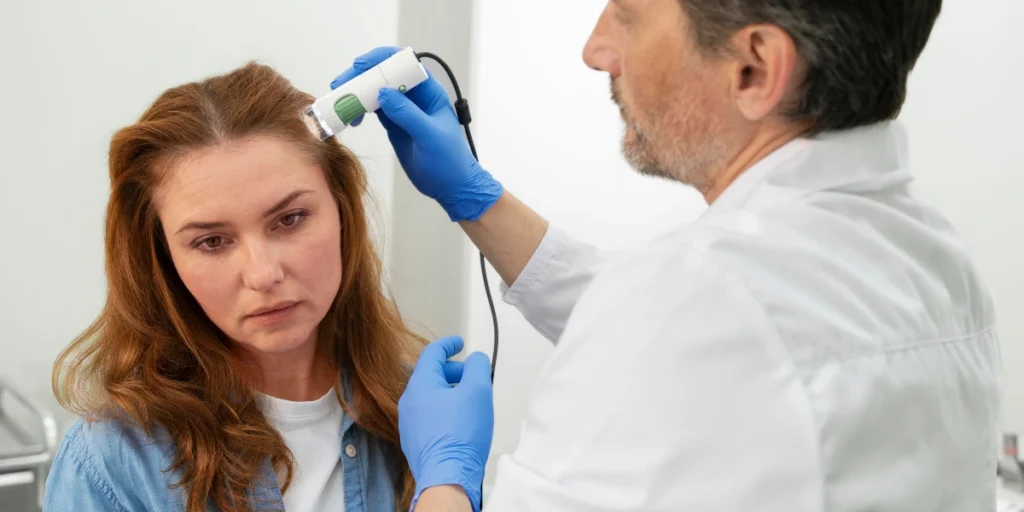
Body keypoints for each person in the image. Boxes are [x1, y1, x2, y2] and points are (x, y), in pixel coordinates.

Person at [334, 0, 1003, 511]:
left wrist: (445, 481)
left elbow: (687, 324)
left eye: (626, 14)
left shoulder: (691, 300)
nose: (596, 50)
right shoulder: (938, 262)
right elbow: (726, 342)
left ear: (755, 69)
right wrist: (475, 199)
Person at [43, 62, 433, 512]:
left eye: (290, 219)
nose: (262, 274)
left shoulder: (416, 410)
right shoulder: (114, 461)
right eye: (211, 242)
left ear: (342, 211)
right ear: (164, 259)